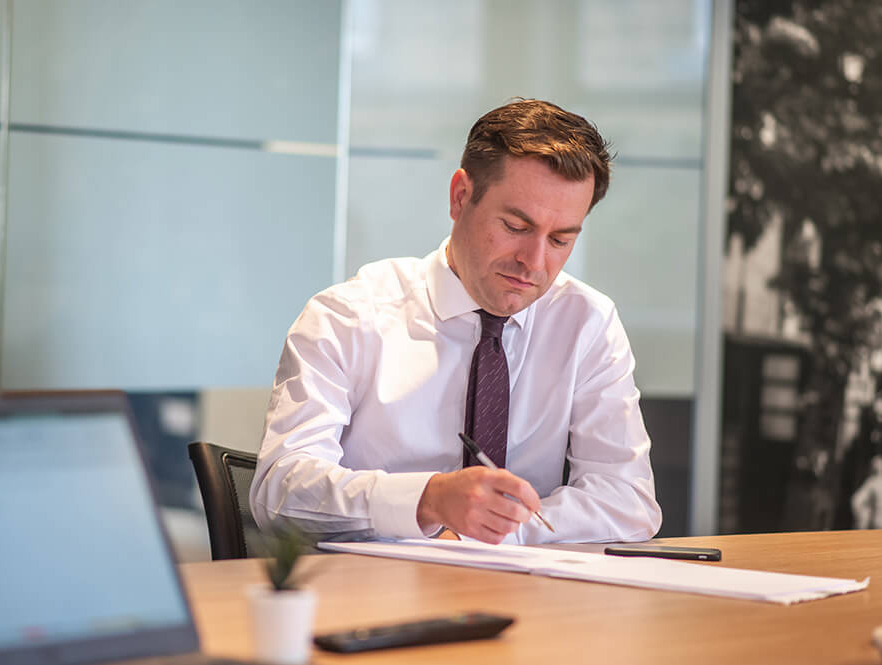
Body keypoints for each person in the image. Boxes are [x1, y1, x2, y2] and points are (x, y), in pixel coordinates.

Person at [249, 99, 661, 545]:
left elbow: (629, 501)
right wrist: (426, 501)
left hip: (524, 599)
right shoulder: (348, 317)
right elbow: (279, 492)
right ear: (460, 197)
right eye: (516, 227)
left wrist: (498, 531)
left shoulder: (587, 323)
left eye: (561, 239)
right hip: (367, 596)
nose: (534, 262)